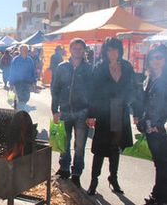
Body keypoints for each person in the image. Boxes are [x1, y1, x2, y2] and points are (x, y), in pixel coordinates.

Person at [86, 37, 136, 195]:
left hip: (120, 112)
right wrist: (91, 114)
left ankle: (113, 179)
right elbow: (92, 92)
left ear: (120, 50)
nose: (112, 52)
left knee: (115, 148)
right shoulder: (100, 68)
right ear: (105, 51)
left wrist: (135, 109)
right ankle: (94, 181)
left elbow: (133, 88)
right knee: (100, 148)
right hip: (103, 112)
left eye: (114, 49)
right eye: (109, 49)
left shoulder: (127, 67)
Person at [51, 38, 92, 188]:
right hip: (65, 112)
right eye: (75, 48)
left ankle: (76, 173)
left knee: (80, 146)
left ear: (84, 51)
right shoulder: (62, 67)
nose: (77, 51)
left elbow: (93, 93)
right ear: (70, 49)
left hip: (83, 112)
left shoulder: (88, 69)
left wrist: (91, 114)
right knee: (64, 143)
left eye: (80, 49)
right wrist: (55, 110)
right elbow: (55, 89)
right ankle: (64, 169)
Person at [137, 44, 167, 205]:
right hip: (150, 127)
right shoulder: (150, 78)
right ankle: (159, 195)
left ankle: (159, 197)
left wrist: (161, 123)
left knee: (163, 164)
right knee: (159, 164)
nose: (156, 61)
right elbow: (146, 102)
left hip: (160, 128)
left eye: (160, 57)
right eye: (153, 57)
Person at [9, 44, 36, 110]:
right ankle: (20, 112)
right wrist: (11, 83)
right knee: (20, 98)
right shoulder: (16, 60)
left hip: (27, 82)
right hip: (18, 82)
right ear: (20, 50)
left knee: (27, 97)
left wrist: (34, 82)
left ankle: (19, 108)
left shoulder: (30, 60)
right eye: (23, 50)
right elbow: (12, 72)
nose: (25, 51)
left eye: (26, 50)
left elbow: (33, 71)